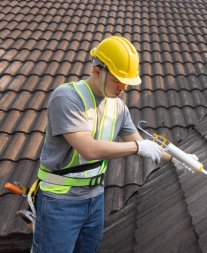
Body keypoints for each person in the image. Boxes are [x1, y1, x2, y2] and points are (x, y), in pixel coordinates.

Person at [32, 36, 193, 253]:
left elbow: (144, 145)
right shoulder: (67, 97)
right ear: (97, 71)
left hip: (95, 199)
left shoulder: (118, 108)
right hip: (59, 201)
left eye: (127, 82)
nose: (123, 87)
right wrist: (138, 148)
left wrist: (181, 158)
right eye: (118, 80)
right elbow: (89, 149)